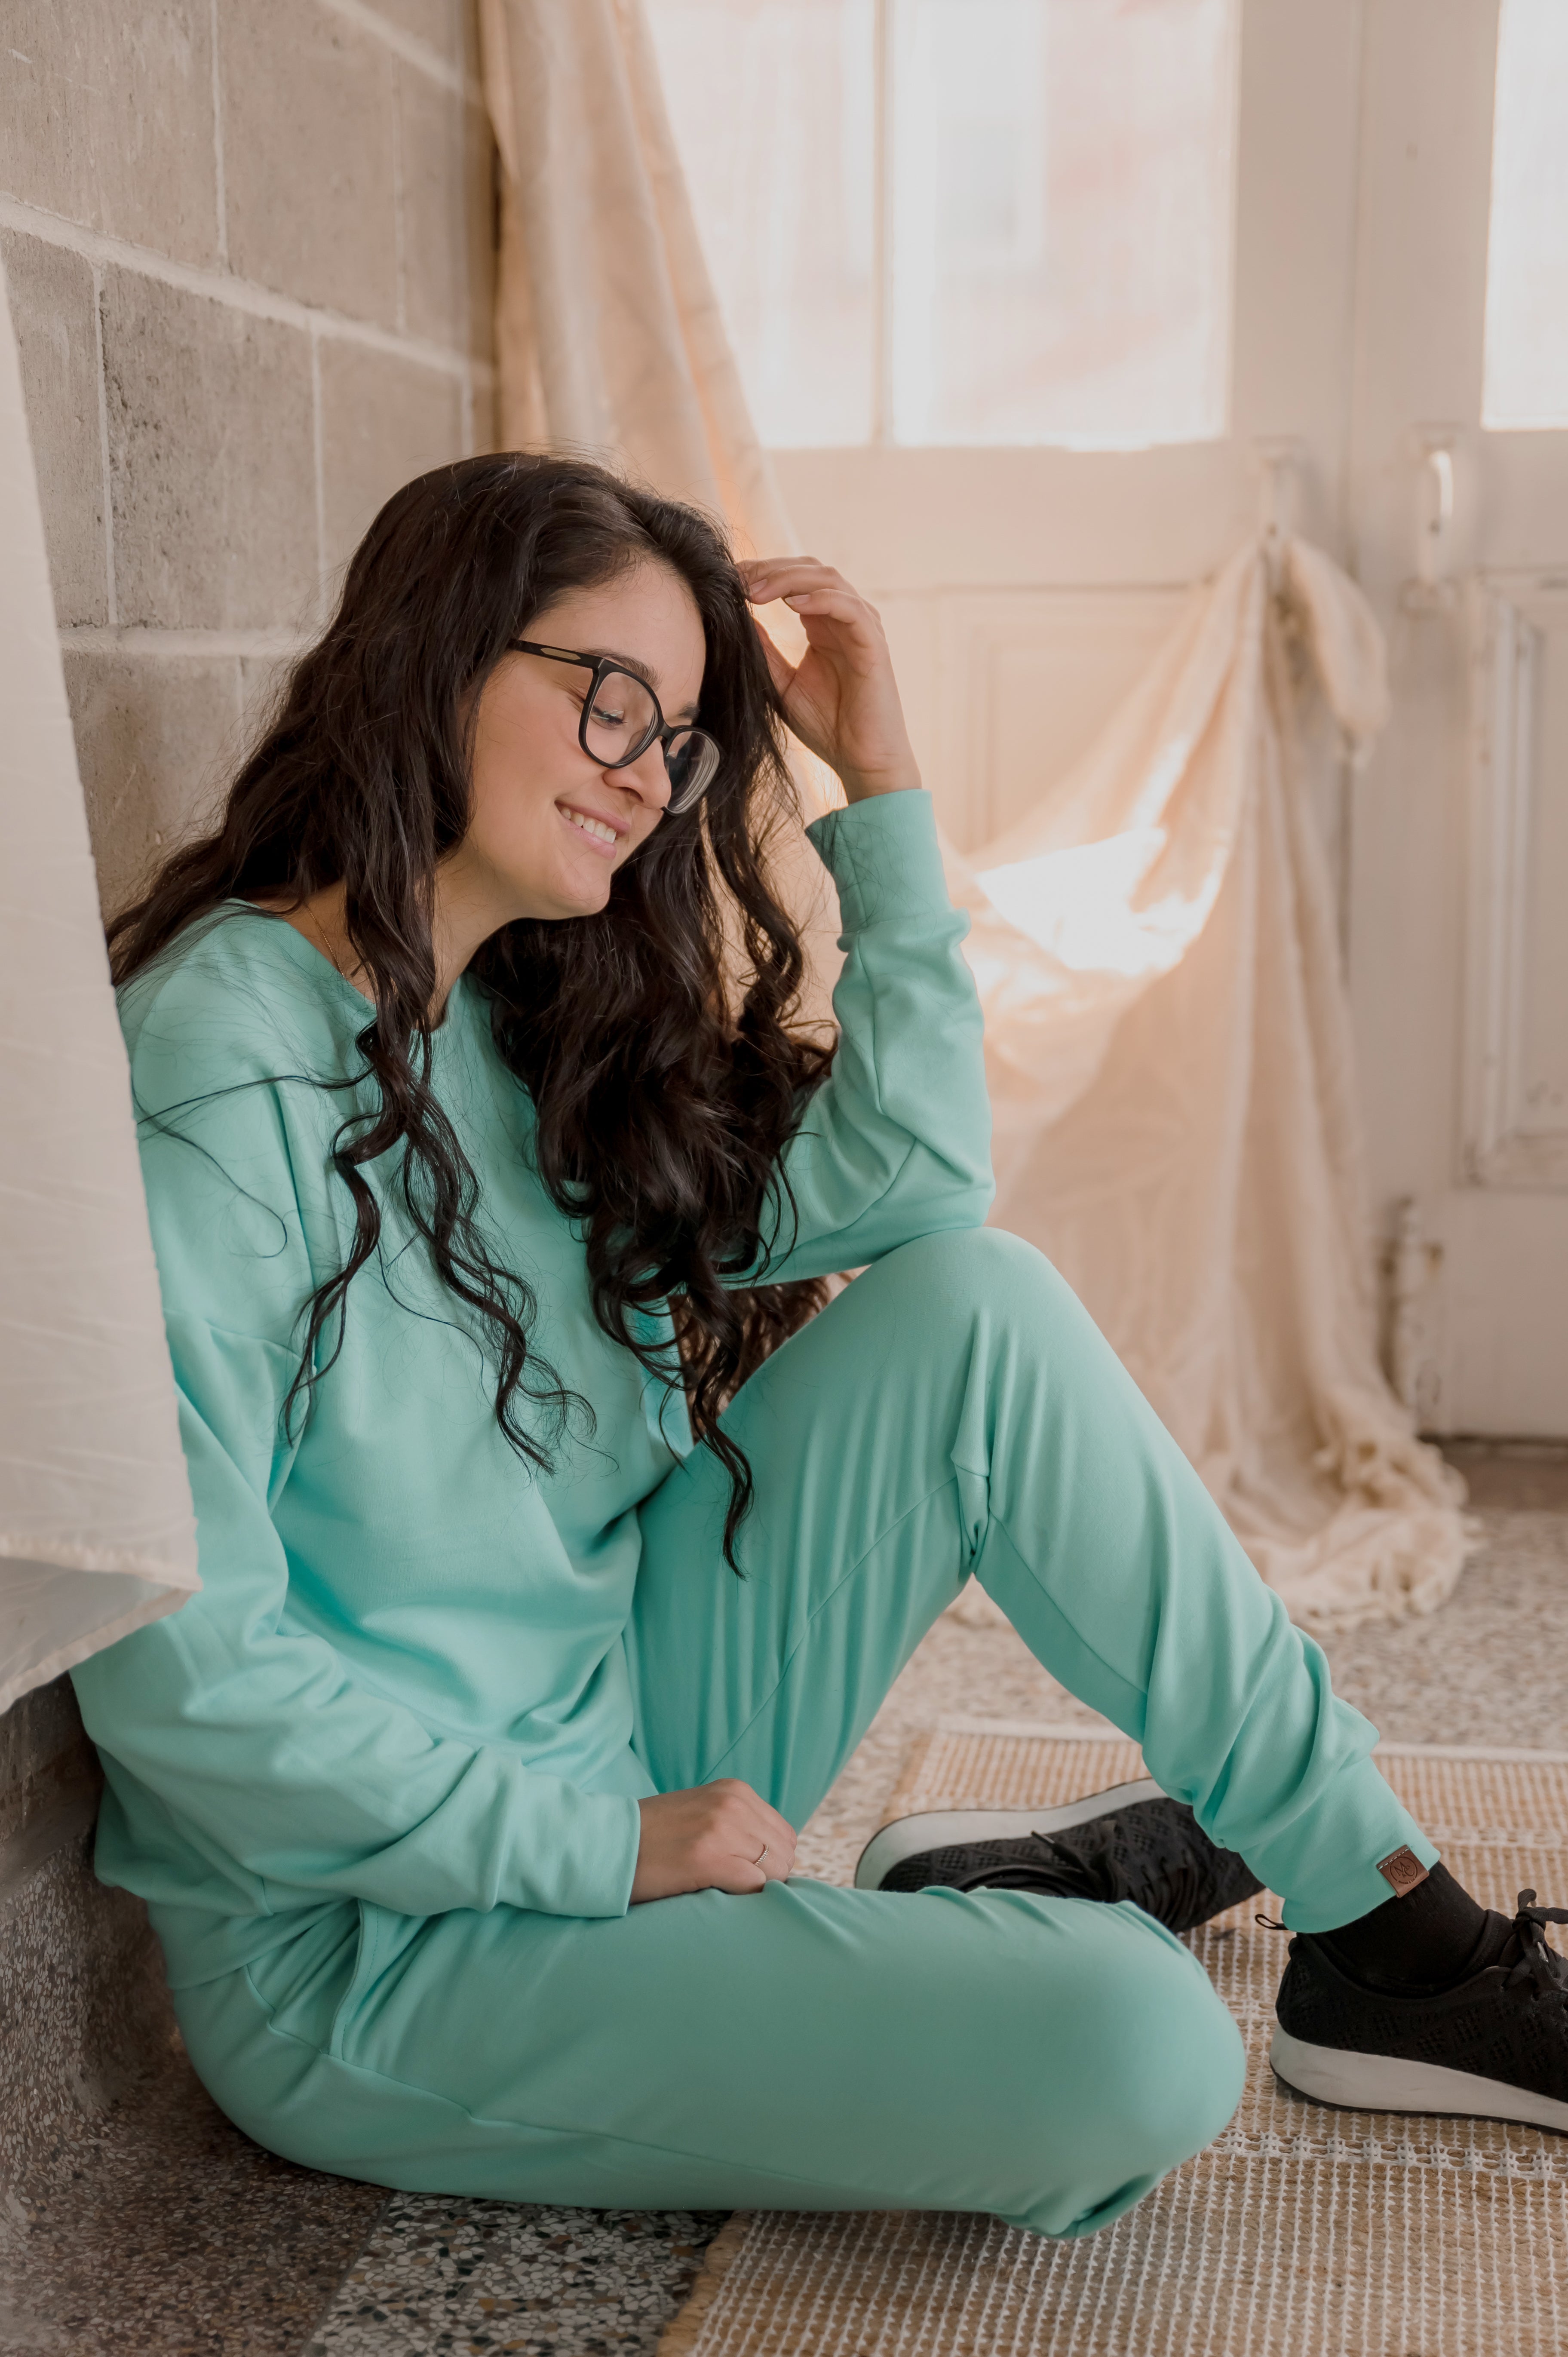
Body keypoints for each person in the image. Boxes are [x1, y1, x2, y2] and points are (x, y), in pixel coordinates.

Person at [74, 454, 1568, 2243]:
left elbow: (924, 1178)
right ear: (436, 653)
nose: (647, 773)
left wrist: (885, 782)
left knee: (978, 1304)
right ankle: (998, 1911)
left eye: (679, 736)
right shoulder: (216, 1069)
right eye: (607, 697)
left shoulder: (510, 1011)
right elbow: (181, 1677)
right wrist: (603, 1850)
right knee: (1144, 2047)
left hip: (624, 1726)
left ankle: (1392, 1931)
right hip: (383, 1946)